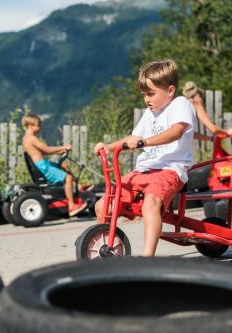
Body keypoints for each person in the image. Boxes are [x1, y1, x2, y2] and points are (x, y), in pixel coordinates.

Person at [93, 59, 195, 257]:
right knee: (103, 204)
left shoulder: (180, 104)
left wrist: (144, 143)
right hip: (143, 171)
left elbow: (175, 132)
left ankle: (147, 258)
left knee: (151, 204)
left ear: (170, 90)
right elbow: (133, 138)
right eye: (144, 95)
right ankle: (103, 249)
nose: (146, 100)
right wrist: (108, 146)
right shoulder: (150, 113)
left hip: (170, 169)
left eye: (151, 94)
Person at [22, 114, 87, 216]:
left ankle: (78, 187)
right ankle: (71, 205)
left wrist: (60, 150)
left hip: (42, 164)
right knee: (68, 177)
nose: (40, 128)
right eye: (38, 125)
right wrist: (64, 147)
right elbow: (47, 150)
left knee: (63, 165)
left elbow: (43, 152)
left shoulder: (26, 138)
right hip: (43, 167)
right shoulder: (32, 138)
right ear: (30, 125)